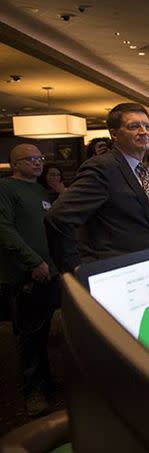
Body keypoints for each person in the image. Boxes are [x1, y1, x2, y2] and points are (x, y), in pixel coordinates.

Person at [46, 103, 149, 272]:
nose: (144, 131)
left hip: (140, 266)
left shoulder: (139, 169)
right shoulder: (103, 167)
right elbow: (58, 218)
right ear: (114, 134)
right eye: (134, 126)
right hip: (112, 270)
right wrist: (76, 269)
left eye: (147, 126)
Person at [0, 144, 60, 416]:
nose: (38, 163)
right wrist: (33, 261)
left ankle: (45, 384)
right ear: (15, 162)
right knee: (28, 336)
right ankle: (32, 393)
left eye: (40, 158)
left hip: (50, 271)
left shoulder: (40, 190)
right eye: (31, 159)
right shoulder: (6, 188)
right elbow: (5, 230)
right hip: (25, 274)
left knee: (43, 331)